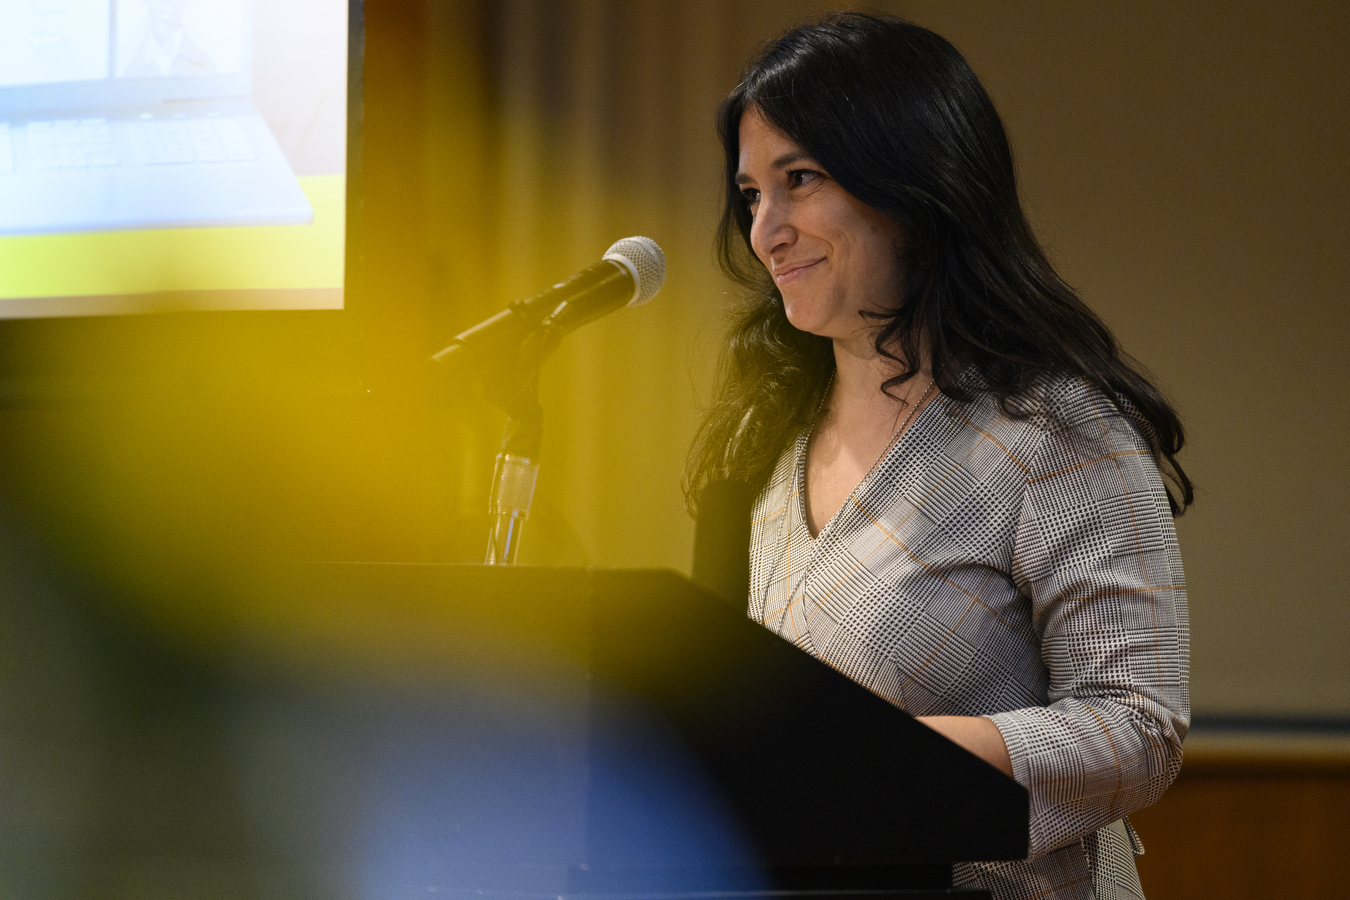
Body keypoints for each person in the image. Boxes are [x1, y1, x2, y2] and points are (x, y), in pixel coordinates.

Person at [685, 13, 1191, 900]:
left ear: (914, 185)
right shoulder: (766, 432)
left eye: (799, 180)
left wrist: (892, 760)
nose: (766, 231)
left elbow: (1140, 729)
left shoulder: (1057, 432)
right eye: (752, 194)